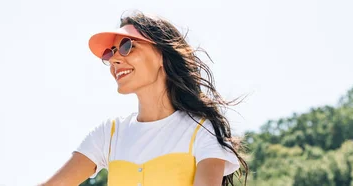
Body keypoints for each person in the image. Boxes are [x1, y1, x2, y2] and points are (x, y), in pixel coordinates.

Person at [41, 11, 248, 186]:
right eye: (110, 53)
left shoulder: (201, 129)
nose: (114, 59)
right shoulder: (109, 134)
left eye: (126, 46)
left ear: (161, 55)